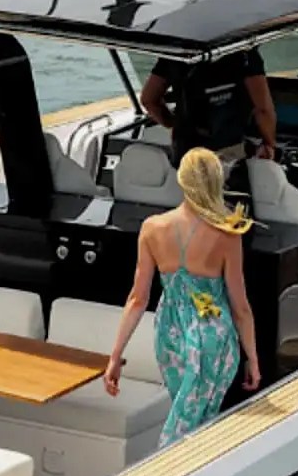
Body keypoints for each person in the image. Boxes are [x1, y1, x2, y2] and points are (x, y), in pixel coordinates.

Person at [104, 147, 262, 447]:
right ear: (217, 182)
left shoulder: (152, 228)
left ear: (181, 180)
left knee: (184, 412)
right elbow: (241, 306)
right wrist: (252, 357)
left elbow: (137, 299)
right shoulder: (227, 232)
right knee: (199, 424)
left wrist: (115, 356)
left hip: (170, 335)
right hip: (213, 336)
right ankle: (170, 474)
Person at [140, 48, 278, 167]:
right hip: (230, 148)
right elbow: (263, 110)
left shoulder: (176, 53)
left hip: (186, 150)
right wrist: (269, 144)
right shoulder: (245, 54)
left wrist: (174, 123)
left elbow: (148, 99)